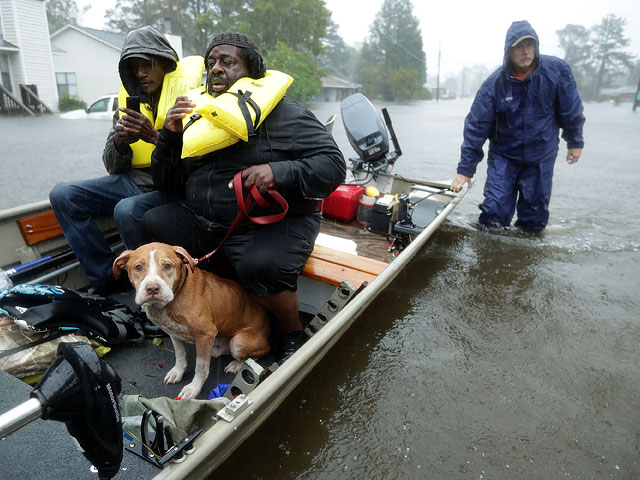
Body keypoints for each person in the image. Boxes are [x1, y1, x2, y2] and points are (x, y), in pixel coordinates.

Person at [142, 32, 346, 360]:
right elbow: (166, 184)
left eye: (227, 62)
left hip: (271, 223)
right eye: (211, 63)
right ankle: (190, 308)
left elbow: (334, 166)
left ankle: (291, 330)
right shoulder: (200, 115)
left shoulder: (287, 115)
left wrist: (279, 172)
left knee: (262, 265)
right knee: (153, 221)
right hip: (208, 220)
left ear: (251, 70)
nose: (216, 69)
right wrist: (168, 135)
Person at [49, 26, 203, 294]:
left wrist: (154, 136)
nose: (140, 73)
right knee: (63, 195)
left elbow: (197, 160)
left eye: (147, 65)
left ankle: (150, 289)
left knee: (126, 209)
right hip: (132, 180)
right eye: (134, 67)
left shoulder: (191, 98)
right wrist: (120, 142)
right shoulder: (129, 103)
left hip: (171, 187)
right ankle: (106, 278)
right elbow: (111, 165)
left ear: (165, 63)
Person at [450, 20, 585, 233]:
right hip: (504, 156)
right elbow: (476, 127)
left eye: (530, 45)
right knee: (493, 214)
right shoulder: (494, 85)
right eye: (519, 46)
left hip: (541, 155)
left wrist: (575, 141)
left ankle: (526, 253)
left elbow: (571, 109)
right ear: (508, 51)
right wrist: (465, 170)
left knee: (533, 219)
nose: (526, 51)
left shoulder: (556, 72)